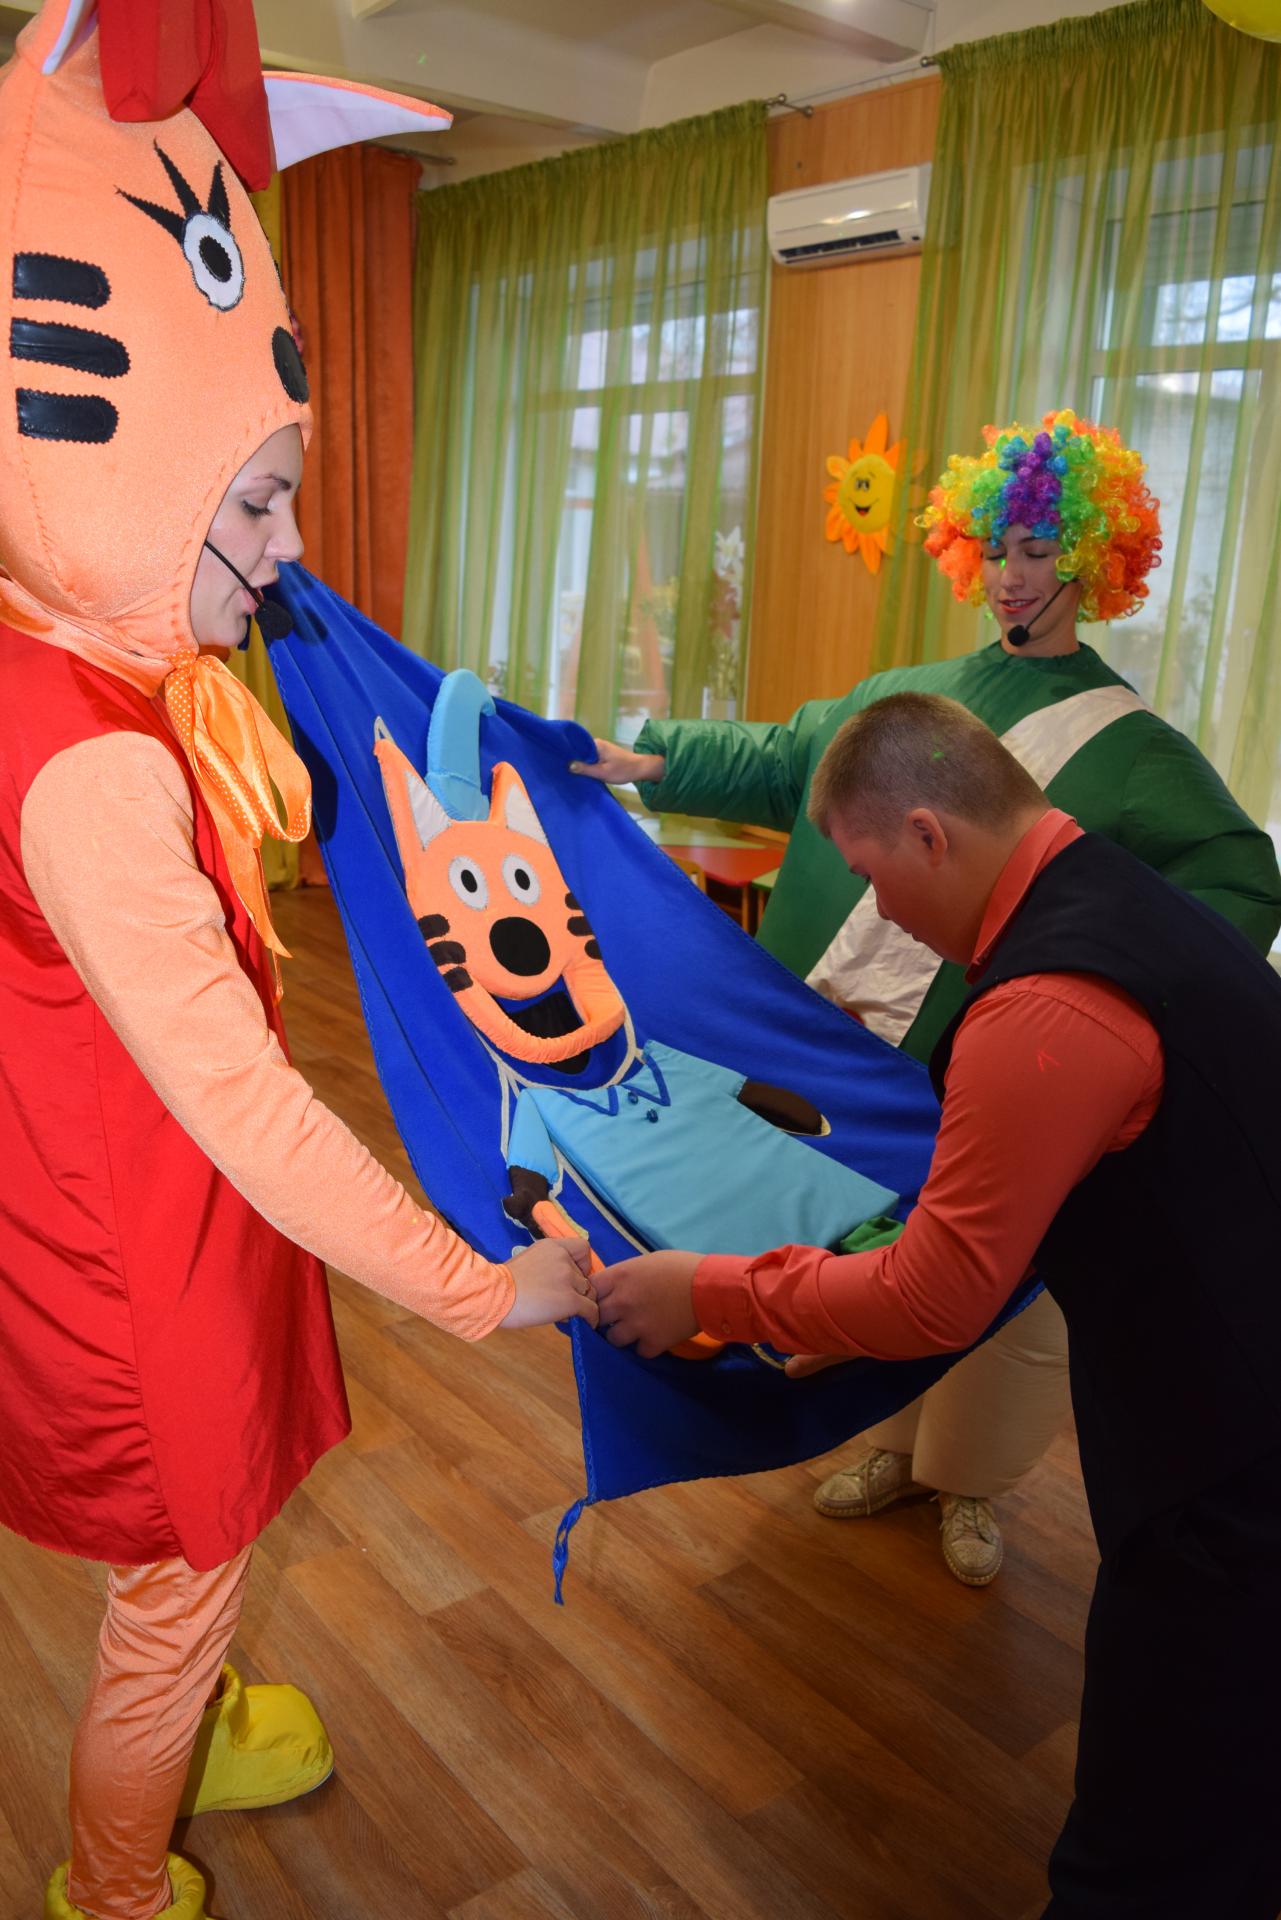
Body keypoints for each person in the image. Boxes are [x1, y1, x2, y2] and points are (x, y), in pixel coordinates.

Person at [0, 12, 594, 1920]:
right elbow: (246, 1107)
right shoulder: (92, 759)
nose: (286, 544)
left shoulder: (77, 661)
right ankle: (115, 1885)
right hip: (132, 1249)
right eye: (253, 502)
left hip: (130, 1204)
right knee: (172, 1582)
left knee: (206, 1544)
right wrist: (484, 1289)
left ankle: (212, 1713)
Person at [593, 691, 1281, 1918]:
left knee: (1156, 1819)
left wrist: (705, 1289)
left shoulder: (1041, 1010)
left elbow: (936, 1297)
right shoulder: (1114, 893)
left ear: (929, 835)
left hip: (1235, 1453)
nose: (879, 914)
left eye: (871, 878)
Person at [573, 409, 1281, 1584]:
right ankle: (895, 1449)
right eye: (995, 548)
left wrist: (1129, 1014)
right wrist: (641, 763)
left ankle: (971, 1483)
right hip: (849, 1062)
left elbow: (1239, 877)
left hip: (1009, 1075)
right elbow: (784, 758)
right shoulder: (910, 693)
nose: (1013, 576)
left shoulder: (1134, 749)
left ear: (1096, 560)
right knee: (872, 1252)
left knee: (995, 1304)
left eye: (1041, 550)